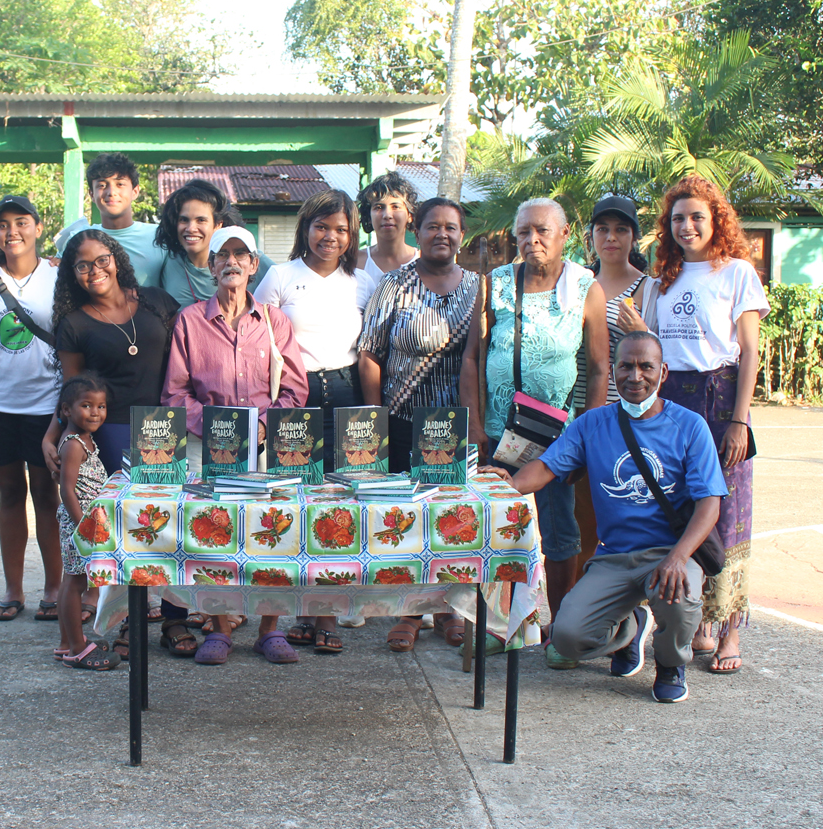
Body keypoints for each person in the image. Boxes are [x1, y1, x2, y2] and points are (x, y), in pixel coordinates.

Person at [488, 331, 727, 703]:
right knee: (567, 637)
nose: (635, 376)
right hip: (614, 556)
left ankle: (670, 664)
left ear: (663, 372)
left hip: (669, 552)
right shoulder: (592, 423)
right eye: (626, 366)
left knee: (679, 600)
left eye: (646, 367)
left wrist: (679, 558)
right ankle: (629, 630)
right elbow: (548, 466)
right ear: (614, 372)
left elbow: (709, 504)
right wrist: (512, 483)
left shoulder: (690, 425)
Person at [165, 227, 309, 665]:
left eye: (240, 254)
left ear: (253, 265)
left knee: (273, 534)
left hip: (266, 445)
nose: (231, 261)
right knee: (214, 534)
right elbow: (175, 393)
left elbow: (295, 389)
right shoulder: (190, 320)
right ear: (211, 266)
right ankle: (220, 627)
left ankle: (270, 629)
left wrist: (261, 428)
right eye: (222, 255)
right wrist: (216, 431)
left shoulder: (274, 321)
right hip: (208, 445)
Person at [43, 230, 187, 657]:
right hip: (112, 431)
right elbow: (71, 392)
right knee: (128, 528)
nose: (94, 270)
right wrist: (52, 434)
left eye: (101, 259)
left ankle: (176, 621)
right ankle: (129, 623)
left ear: (116, 258)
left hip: (163, 427)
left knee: (169, 523)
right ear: (72, 274)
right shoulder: (75, 323)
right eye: (82, 265)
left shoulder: (157, 302)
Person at [465, 197, 595, 670]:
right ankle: (502, 628)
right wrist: (474, 423)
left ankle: (560, 630)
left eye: (541, 230)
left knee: (560, 534)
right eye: (523, 232)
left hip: (559, 440)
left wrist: (589, 436)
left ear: (564, 235)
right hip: (501, 435)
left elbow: (599, 368)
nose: (531, 239)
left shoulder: (585, 287)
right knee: (499, 531)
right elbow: (472, 357)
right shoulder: (495, 283)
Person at [646, 176, 768, 674]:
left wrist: (739, 420)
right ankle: (698, 620)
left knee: (728, 510)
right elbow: (653, 346)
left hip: (720, 400)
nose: (687, 226)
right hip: (673, 401)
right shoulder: (662, 279)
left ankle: (730, 628)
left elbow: (750, 352)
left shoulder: (737, 272)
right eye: (678, 218)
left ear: (716, 220)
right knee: (681, 508)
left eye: (697, 216)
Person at [357, 197, 481, 653]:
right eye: (433, 226)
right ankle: (409, 611)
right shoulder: (395, 284)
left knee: (452, 521)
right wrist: (376, 422)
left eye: (451, 227)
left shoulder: (478, 287)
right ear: (418, 230)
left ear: (461, 235)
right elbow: (370, 353)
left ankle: (449, 609)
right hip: (403, 421)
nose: (441, 234)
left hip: (455, 425)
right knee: (406, 521)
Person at [254, 190, 374, 654]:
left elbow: (370, 348)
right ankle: (283, 617)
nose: (330, 236)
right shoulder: (280, 277)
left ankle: (325, 614)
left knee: (339, 509)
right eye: (322, 226)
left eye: (341, 229)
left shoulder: (363, 281)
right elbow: (259, 339)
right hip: (293, 400)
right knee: (290, 506)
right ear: (306, 227)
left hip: (347, 396)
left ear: (352, 234)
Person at [0, 195, 65, 623]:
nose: (12, 231)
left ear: (38, 228)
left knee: (45, 494)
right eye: (3, 224)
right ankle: (12, 588)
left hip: (45, 403)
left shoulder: (58, 276)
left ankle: (54, 587)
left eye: (22, 222)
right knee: (9, 495)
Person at [571, 195, 651, 576]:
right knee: (581, 518)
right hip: (578, 413)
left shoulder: (648, 289)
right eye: (602, 229)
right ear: (591, 235)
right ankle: (578, 599)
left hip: (627, 419)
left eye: (621, 229)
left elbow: (661, 360)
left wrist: (643, 332)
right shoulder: (576, 284)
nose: (611, 237)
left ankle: (628, 601)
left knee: (627, 513)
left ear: (634, 237)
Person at [52, 373, 120, 671]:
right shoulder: (73, 445)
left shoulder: (86, 440)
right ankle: (77, 649)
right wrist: (83, 527)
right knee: (75, 581)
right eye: (87, 405)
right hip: (78, 524)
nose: (95, 413)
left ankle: (67, 642)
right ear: (67, 410)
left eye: (101, 406)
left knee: (75, 580)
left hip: (85, 523)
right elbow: (66, 489)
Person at [153, 179, 271, 306]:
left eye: (201, 220)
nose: (191, 228)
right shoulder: (166, 261)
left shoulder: (248, 259)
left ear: (218, 225)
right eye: (184, 220)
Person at [53, 153, 163, 286]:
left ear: (135, 191)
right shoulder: (79, 239)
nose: (111, 192)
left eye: (120, 184)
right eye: (102, 185)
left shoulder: (159, 237)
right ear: (92, 194)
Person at [354, 171, 419, 287]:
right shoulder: (355, 263)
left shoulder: (424, 262)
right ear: (369, 216)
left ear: (410, 214)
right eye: (379, 207)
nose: (387, 215)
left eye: (396, 207)